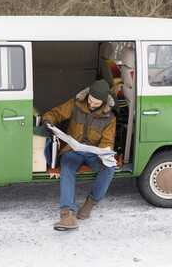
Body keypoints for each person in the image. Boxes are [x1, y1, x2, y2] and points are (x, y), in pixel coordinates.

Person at [40, 80, 116, 231]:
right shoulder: (75, 104)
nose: (92, 105)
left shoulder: (110, 118)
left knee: (109, 169)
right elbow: (56, 113)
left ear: (104, 102)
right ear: (87, 95)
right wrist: (47, 121)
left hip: (93, 153)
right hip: (72, 150)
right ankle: (67, 214)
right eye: (90, 101)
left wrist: (103, 156)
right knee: (67, 167)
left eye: (96, 103)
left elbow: (107, 141)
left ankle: (91, 203)